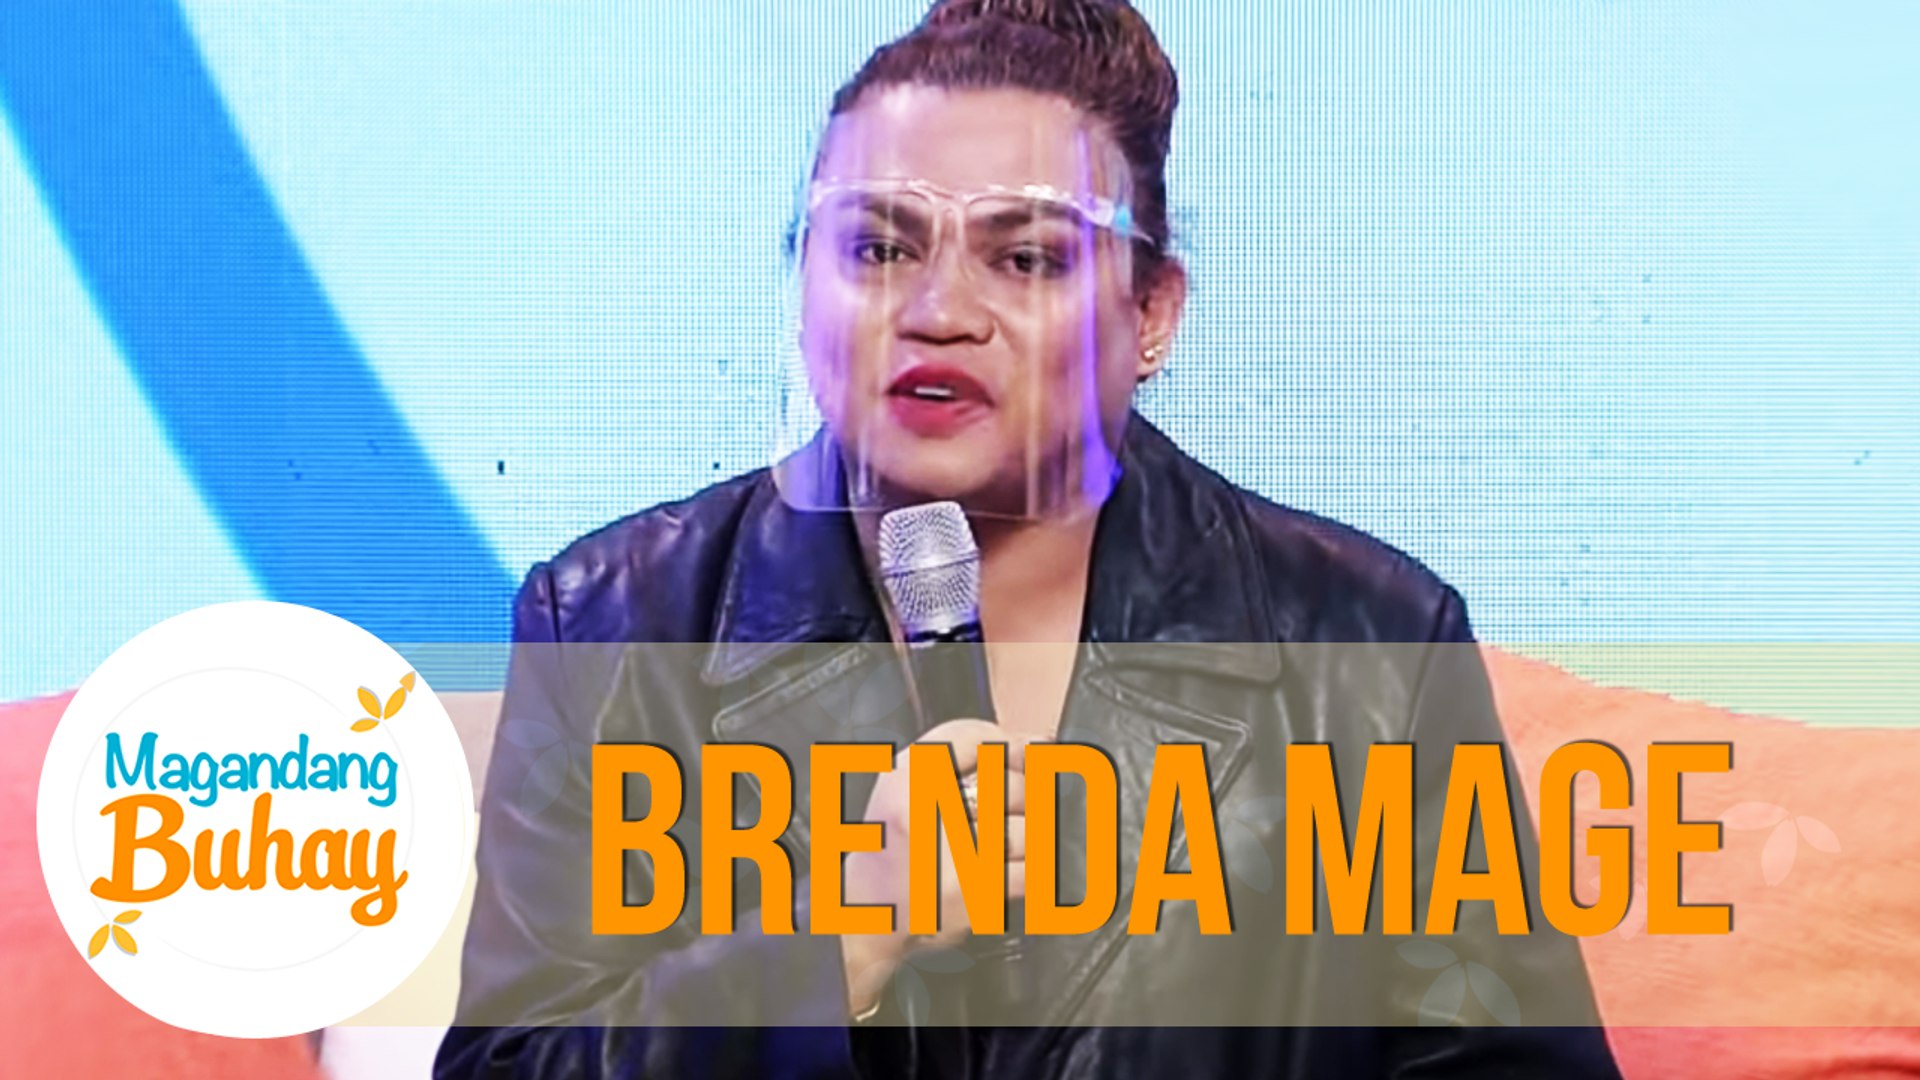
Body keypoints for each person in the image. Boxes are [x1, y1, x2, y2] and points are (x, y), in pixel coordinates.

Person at [436, 1, 1623, 1076]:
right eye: (879, 247)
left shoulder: (1365, 644)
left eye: (1025, 257)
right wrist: (834, 949)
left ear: (1151, 313)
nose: (939, 312)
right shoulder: (615, 621)